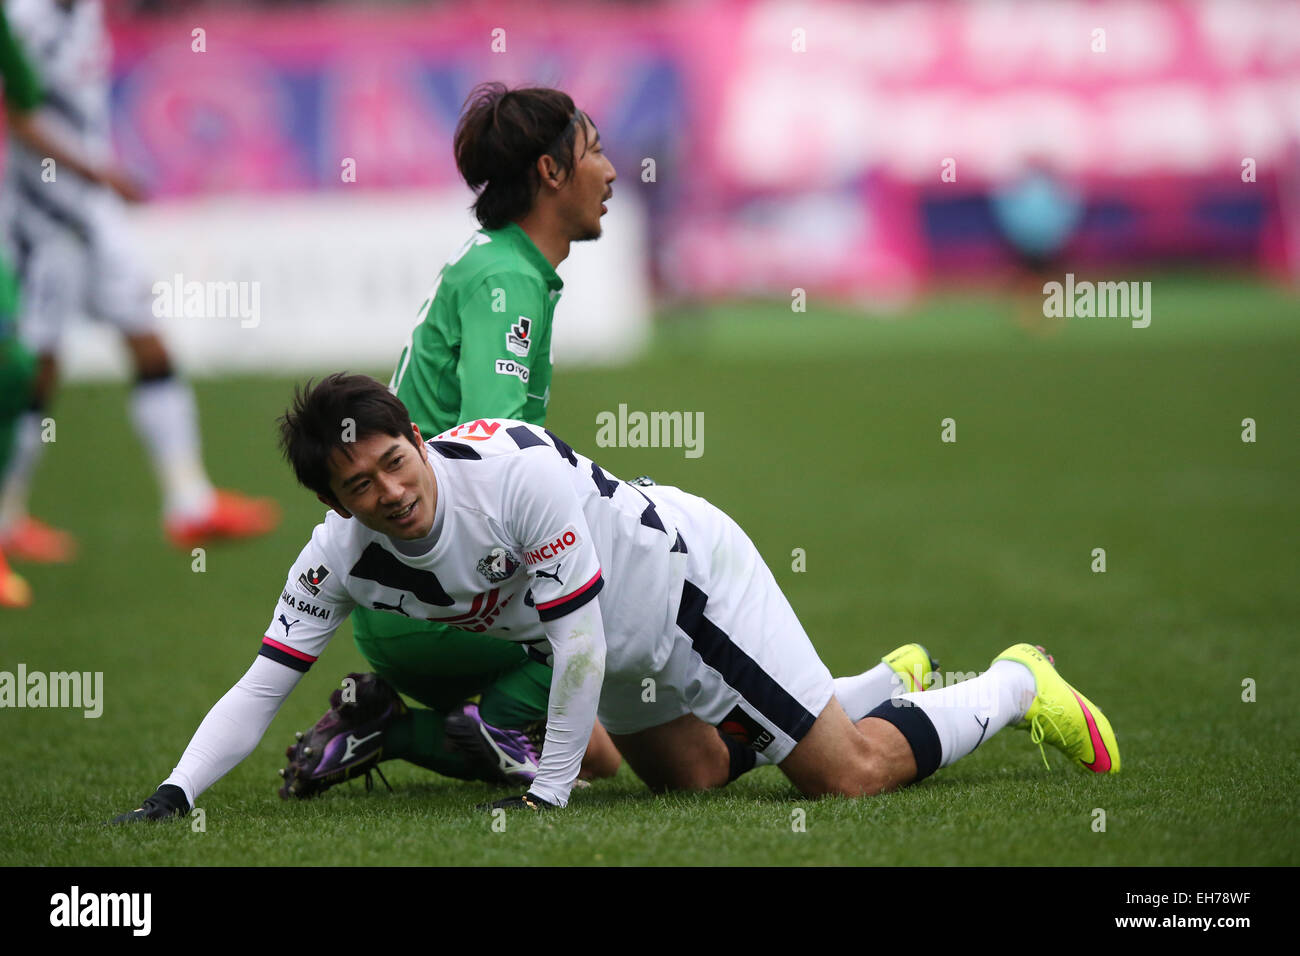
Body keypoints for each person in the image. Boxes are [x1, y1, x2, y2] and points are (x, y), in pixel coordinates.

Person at [110, 374, 1118, 822]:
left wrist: (548, 789)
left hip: (684, 589)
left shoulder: (509, 471)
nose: (389, 491)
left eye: (392, 459)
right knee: (694, 780)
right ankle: (859, 683)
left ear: (417, 437)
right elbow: (261, 683)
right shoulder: (339, 558)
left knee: (842, 777)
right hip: (613, 646)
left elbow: (577, 636)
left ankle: (1013, 684)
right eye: (358, 485)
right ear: (332, 503)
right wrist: (173, 793)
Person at [281, 83, 625, 793]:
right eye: (595, 150)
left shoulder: (498, 262)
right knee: (615, 596)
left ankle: (387, 725)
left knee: (601, 756)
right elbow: (492, 449)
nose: (613, 170)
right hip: (442, 597)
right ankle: (438, 727)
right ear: (550, 172)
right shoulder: (505, 278)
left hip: (411, 593)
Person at [0, 0, 278, 563]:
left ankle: (189, 502)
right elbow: (18, 111)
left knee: (147, 338)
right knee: (36, 365)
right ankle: (7, 520)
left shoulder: (85, 11)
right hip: (43, 215)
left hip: (95, 211)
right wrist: (97, 170)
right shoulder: (25, 17)